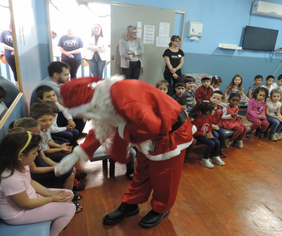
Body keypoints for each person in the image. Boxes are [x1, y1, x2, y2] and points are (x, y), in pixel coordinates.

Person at [53, 76, 195, 229]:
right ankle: (131, 204)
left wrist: (120, 137)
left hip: (170, 133)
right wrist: (75, 155)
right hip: (149, 135)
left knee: (164, 176)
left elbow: (151, 126)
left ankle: (161, 208)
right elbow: (102, 127)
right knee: (141, 171)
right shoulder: (104, 100)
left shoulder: (126, 99)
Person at [0, 128, 76, 236]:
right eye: (34, 152)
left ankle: (54, 217)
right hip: (18, 214)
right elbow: (25, 204)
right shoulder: (10, 178)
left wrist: (50, 193)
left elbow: (30, 181)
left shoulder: (22, 164)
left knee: (69, 194)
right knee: (70, 209)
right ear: (21, 156)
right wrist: (51, 198)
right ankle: (52, 234)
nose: (36, 155)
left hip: (31, 198)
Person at [8, 118, 83, 211]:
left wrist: (57, 166)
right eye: (35, 133)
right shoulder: (26, 153)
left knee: (69, 169)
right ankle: (65, 202)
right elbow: (35, 170)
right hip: (38, 176)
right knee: (69, 173)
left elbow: (44, 158)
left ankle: (66, 195)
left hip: (43, 168)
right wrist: (54, 168)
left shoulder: (35, 144)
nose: (39, 135)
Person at [36, 61, 86, 137]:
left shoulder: (52, 81)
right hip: (46, 117)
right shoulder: (52, 87)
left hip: (54, 111)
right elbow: (67, 104)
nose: (68, 77)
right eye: (65, 75)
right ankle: (74, 135)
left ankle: (75, 133)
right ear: (56, 75)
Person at [192, 100, 224, 168]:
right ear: (207, 112)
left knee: (217, 142)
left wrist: (209, 133)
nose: (214, 111)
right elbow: (194, 132)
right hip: (199, 135)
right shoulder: (198, 119)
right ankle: (205, 158)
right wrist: (204, 135)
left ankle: (216, 156)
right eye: (213, 110)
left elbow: (209, 127)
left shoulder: (209, 117)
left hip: (206, 134)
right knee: (211, 143)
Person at [210, 90, 227, 156]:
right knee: (216, 135)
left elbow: (220, 118)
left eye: (218, 99)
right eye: (214, 98)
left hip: (216, 126)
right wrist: (211, 125)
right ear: (210, 98)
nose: (215, 100)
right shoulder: (207, 107)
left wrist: (218, 125)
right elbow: (204, 118)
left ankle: (220, 149)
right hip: (209, 126)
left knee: (223, 134)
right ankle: (213, 149)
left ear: (221, 101)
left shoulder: (220, 108)